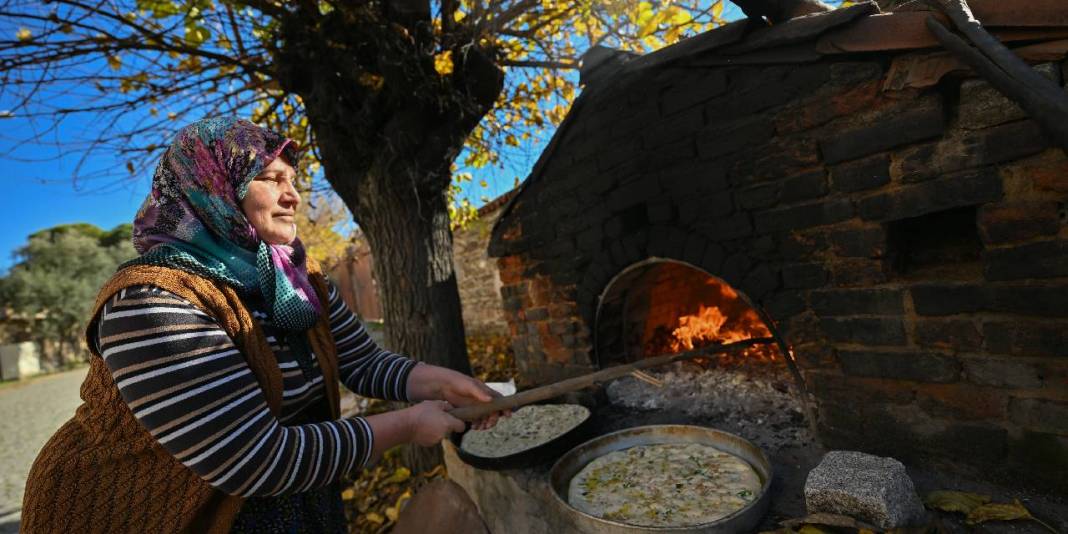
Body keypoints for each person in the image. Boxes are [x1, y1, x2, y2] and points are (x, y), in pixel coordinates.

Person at [21, 117, 502, 534]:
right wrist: (408, 425)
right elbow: (253, 458)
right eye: (271, 178)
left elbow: (362, 361)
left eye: (292, 179)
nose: (293, 195)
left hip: (289, 498)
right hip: (150, 515)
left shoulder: (296, 277)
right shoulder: (152, 301)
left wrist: (444, 382)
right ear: (213, 189)